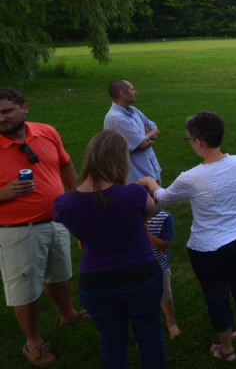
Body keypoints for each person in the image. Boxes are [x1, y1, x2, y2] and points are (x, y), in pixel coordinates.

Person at [139, 111, 236, 363]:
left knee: (216, 295)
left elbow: (163, 197)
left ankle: (226, 350)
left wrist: (150, 182)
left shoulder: (192, 177)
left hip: (209, 249)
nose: (190, 143)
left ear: (200, 142)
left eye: (189, 139)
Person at [53, 130, 165, 369]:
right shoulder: (133, 193)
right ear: (120, 160)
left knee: (112, 342)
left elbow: (79, 229)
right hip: (141, 275)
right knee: (149, 336)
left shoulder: (64, 203)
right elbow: (151, 211)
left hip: (95, 282)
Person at [0, 87, 87, 366]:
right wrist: (4, 193)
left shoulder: (46, 132)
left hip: (56, 220)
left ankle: (68, 315)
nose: (1, 118)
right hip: (17, 229)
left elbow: (65, 163)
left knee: (57, 273)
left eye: (6, 111)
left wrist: (74, 196)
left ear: (24, 108)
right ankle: (32, 342)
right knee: (25, 287)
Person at [104, 80, 162, 183]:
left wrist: (143, 137)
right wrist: (145, 139)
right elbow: (142, 144)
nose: (136, 92)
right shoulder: (117, 119)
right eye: (132, 89)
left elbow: (156, 130)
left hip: (151, 172)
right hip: (137, 179)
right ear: (122, 93)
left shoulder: (134, 111)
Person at [146, 207, 181, 339]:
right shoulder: (130, 216)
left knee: (164, 295)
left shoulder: (165, 217)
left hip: (159, 267)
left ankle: (171, 322)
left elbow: (163, 245)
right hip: (138, 267)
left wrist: (145, 233)